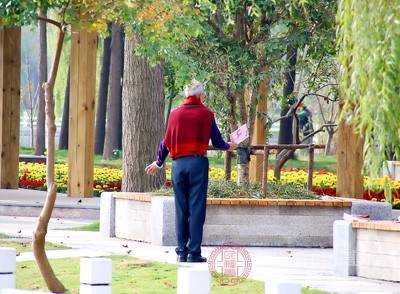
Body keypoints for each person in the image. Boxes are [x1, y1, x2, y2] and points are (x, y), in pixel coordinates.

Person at [145, 80, 237, 263]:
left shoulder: (174, 115)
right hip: (197, 164)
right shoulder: (207, 114)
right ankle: (194, 252)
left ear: (186, 95)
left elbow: (166, 142)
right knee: (197, 208)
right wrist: (230, 146)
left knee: (181, 208)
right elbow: (218, 142)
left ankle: (181, 252)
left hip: (178, 165)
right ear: (200, 95)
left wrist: (159, 162)